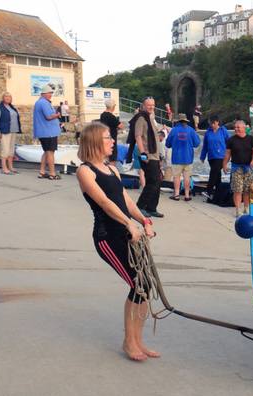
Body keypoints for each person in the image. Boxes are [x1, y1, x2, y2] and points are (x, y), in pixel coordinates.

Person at [75, 122, 158, 361]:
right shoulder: (86, 171)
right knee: (136, 284)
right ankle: (128, 342)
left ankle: (138, 341)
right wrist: (128, 224)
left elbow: (124, 200)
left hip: (127, 232)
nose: (113, 141)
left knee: (144, 286)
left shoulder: (112, 169)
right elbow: (104, 202)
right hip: (107, 238)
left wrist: (143, 220)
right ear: (94, 142)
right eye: (108, 138)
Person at [132, 97, 164, 218]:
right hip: (147, 155)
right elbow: (138, 136)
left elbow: (155, 135)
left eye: (153, 105)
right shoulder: (141, 118)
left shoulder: (150, 118)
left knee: (157, 182)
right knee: (152, 182)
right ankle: (140, 206)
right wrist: (142, 153)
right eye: (149, 105)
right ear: (143, 106)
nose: (151, 107)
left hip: (155, 155)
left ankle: (151, 208)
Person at [223, 120, 253, 216]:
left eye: (238, 127)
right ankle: (238, 209)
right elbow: (227, 154)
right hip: (236, 168)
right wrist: (224, 165)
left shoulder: (251, 139)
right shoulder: (231, 140)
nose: (236, 129)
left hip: (248, 168)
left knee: (247, 190)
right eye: (235, 127)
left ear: (244, 128)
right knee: (237, 190)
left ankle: (246, 208)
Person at [166, 114, 200, 201]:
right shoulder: (191, 130)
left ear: (178, 121)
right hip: (188, 158)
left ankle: (176, 195)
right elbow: (197, 144)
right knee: (187, 177)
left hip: (177, 158)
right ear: (186, 121)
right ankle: (187, 195)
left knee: (176, 177)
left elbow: (167, 144)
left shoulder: (174, 130)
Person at [33, 85, 62, 180]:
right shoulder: (44, 103)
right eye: (49, 93)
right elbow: (48, 117)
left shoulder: (39, 102)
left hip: (44, 132)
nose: (51, 95)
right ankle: (52, 174)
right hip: (48, 132)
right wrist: (57, 115)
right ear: (44, 93)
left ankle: (42, 172)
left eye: (51, 93)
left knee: (46, 152)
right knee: (50, 152)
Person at [200, 115, 229, 199]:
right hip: (211, 157)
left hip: (221, 156)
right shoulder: (208, 132)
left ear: (217, 122)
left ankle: (208, 191)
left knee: (213, 172)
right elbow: (205, 145)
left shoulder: (223, 131)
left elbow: (229, 143)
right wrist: (202, 156)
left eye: (213, 123)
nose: (212, 125)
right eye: (210, 123)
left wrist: (230, 155)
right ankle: (218, 193)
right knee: (217, 175)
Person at [0, 92, 22, 175]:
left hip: (13, 131)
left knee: (11, 150)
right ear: (3, 98)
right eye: (6, 97)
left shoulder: (12, 107)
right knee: (5, 150)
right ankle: (4, 168)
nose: (8, 98)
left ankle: (10, 167)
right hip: (4, 131)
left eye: (9, 97)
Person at [99, 99, 123, 167]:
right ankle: (112, 172)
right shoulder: (111, 116)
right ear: (113, 106)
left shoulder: (102, 115)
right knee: (112, 158)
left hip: (104, 137)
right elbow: (121, 126)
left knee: (106, 156)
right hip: (112, 138)